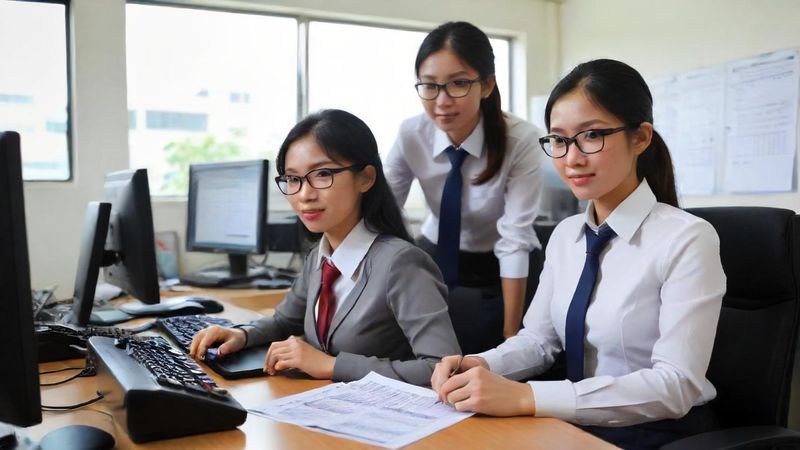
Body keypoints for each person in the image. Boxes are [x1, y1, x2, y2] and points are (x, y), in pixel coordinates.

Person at [430, 59, 726, 449]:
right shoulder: (567, 235)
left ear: (640, 138)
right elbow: (540, 340)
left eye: (591, 136)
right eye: (559, 140)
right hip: (574, 423)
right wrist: (480, 364)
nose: (571, 158)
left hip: (659, 432)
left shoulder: (687, 239)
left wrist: (526, 397)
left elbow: (676, 385)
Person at [190, 109, 460, 386]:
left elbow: (441, 368)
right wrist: (242, 334)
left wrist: (332, 365)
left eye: (322, 174)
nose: (305, 194)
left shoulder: (402, 264)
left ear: (366, 178)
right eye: (293, 179)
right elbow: (284, 322)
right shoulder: (321, 256)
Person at [385, 21, 543, 354]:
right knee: (427, 351)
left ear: (486, 86)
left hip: (501, 261)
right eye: (429, 86)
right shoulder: (411, 134)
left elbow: (515, 239)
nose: (441, 101)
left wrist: (511, 336)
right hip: (436, 248)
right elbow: (381, 213)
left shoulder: (521, 140)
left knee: (498, 352)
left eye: (458, 84)